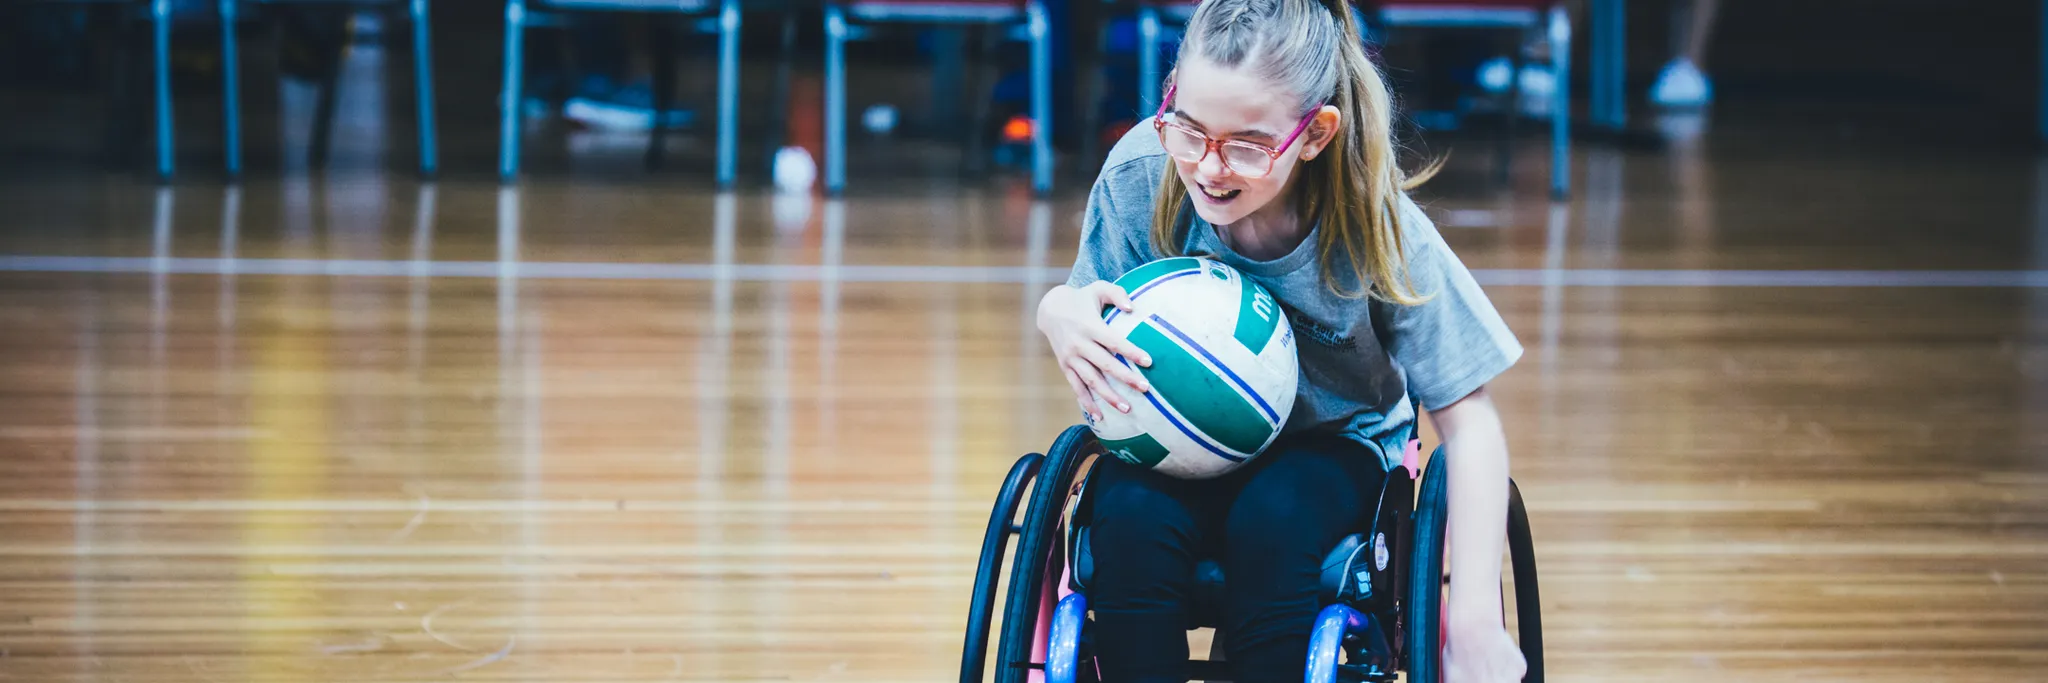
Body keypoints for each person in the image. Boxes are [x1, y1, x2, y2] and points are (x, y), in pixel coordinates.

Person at [1032, 0, 1527, 680]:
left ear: (1315, 133)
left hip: (1331, 445)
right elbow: (1084, 305)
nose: (1210, 167)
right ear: (1170, 97)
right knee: (1130, 520)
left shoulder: (1374, 224)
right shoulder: (1141, 172)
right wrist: (1058, 311)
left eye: (1247, 146)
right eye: (1189, 129)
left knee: (1276, 518)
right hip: (1173, 441)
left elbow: (1470, 423)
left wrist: (1474, 622)